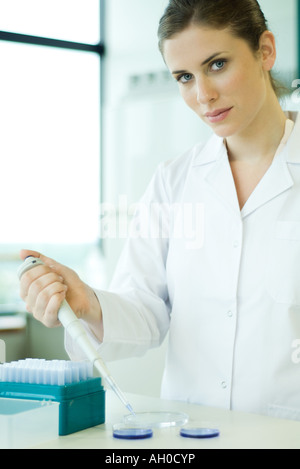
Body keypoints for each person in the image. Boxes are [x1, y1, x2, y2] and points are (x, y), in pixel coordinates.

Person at [20, 0, 300, 420]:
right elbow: (147, 310)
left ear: (265, 50)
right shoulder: (174, 181)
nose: (203, 95)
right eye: (185, 77)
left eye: (218, 64)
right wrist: (86, 303)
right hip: (193, 433)